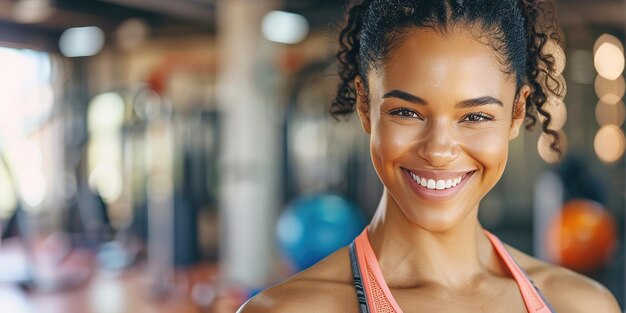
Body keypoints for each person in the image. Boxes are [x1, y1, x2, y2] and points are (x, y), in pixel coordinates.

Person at [238, 0, 622, 312]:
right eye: (407, 112)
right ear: (365, 104)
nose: (439, 150)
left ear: (517, 113)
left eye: (475, 116)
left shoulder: (582, 305)